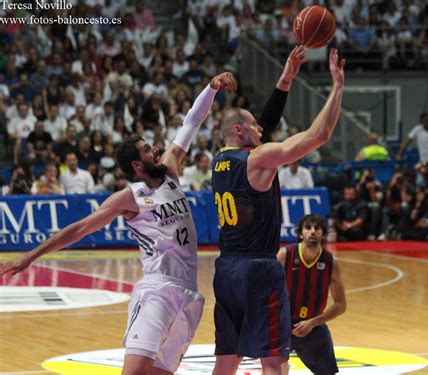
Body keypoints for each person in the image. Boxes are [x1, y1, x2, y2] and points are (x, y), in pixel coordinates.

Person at [0, 72, 237, 375]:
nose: (156, 150)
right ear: (138, 165)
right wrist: (31, 255)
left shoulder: (171, 172)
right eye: (148, 150)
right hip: (157, 290)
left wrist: (211, 87)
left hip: (189, 293)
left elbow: (191, 122)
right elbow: (79, 229)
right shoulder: (130, 197)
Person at [211, 47, 345, 375]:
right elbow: (320, 135)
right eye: (255, 127)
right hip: (259, 269)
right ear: (241, 132)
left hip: (226, 269)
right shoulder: (257, 159)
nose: (262, 129)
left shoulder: (219, 160)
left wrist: (286, 79)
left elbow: (264, 124)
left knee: (227, 360)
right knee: (274, 360)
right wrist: (337, 87)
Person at [277, 214, 346, 375]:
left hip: (314, 326)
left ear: (323, 234)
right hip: (283, 325)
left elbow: (341, 305)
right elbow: (265, 291)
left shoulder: (331, 262)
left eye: (317, 228)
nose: (313, 231)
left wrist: (313, 322)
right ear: (301, 234)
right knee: (277, 369)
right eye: (308, 228)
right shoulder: (285, 255)